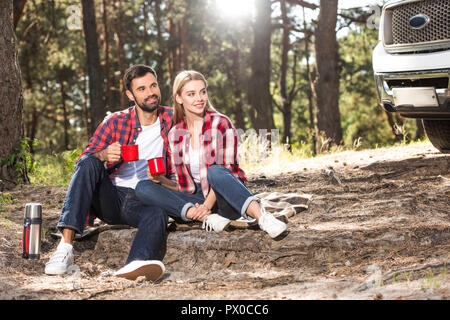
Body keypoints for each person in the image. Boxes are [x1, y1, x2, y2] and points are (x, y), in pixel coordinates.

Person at [44, 65, 173, 281]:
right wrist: (104, 154)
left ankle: (136, 264)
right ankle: (65, 247)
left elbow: (202, 116)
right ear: (130, 95)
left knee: (158, 214)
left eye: (153, 85)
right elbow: (83, 163)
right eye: (141, 89)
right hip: (111, 197)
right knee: (89, 163)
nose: (150, 93)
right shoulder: (116, 121)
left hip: (146, 198)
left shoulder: (172, 118)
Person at [135, 70, 287, 239]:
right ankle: (206, 218)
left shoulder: (221, 123)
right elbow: (183, 186)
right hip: (196, 197)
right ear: (179, 98)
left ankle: (263, 219)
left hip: (224, 194)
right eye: (191, 94)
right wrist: (161, 180)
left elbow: (226, 171)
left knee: (215, 171)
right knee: (143, 187)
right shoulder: (175, 134)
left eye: (202, 92)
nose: (199, 98)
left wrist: (206, 205)